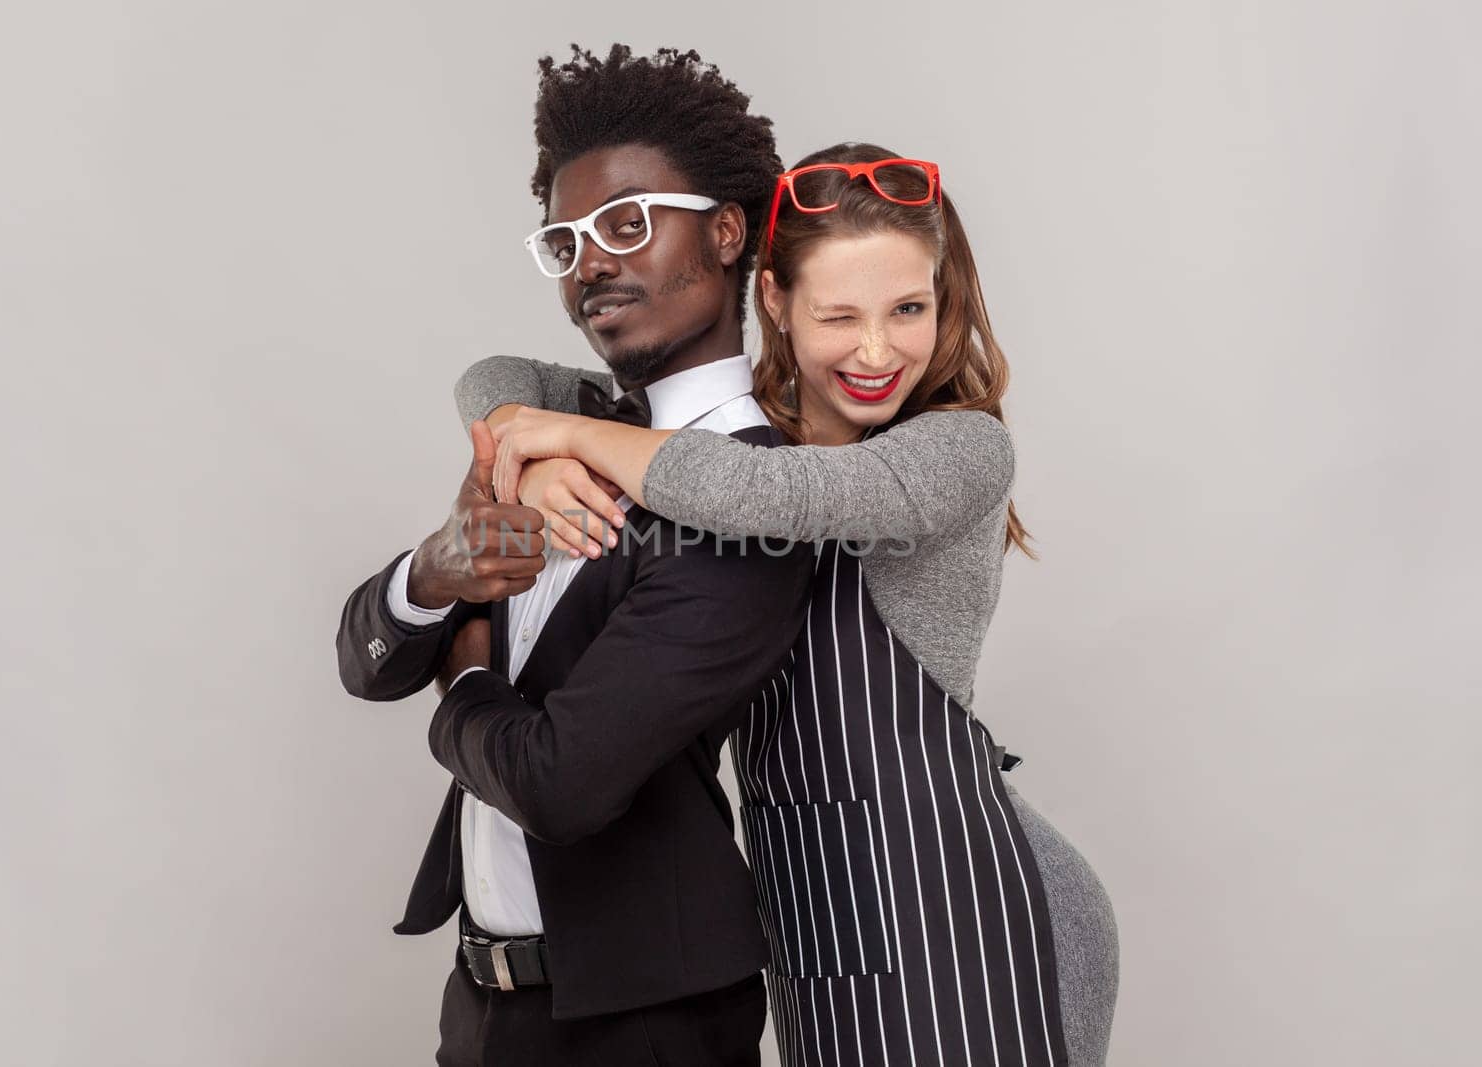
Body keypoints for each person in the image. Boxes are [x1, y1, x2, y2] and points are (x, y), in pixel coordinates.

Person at [450, 144, 1121, 1066]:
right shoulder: (711, 442)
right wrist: (534, 447)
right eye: (839, 315)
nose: (878, 350)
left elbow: (769, 496)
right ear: (775, 301)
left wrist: (561, 434)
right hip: (814, 923)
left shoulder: (959, 452)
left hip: (961, 911)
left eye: (910, 310)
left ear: (944, 301)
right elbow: (494, 376)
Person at [334, 45, 815, 1065]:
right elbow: (365, 660)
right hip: (484, 1002)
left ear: (727, 233)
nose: (590, 261)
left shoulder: (751, 495)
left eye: (628, 223)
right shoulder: (554, 430)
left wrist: (464, 672)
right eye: (566, 239)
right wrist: (438, 572)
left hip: (642, 1020)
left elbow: (560, 783)